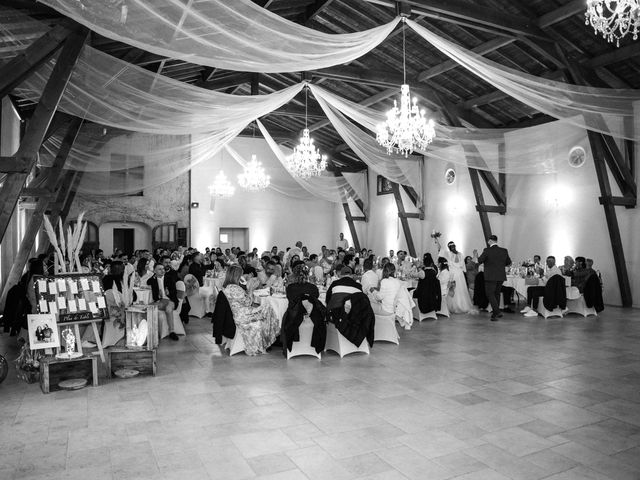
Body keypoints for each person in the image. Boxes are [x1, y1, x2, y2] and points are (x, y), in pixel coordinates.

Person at [223, 265, 278, 355]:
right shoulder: (234, 288)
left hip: (239, 312)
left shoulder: (229, 286)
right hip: (242, 316)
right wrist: (251, 289)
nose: (242, 277)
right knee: (267, 309)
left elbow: (245, 301)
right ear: (236, 276)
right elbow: (248, 302)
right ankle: (266, 341)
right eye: (240, 275)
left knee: (266, 309)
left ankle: (266, 339)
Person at [477, 235, 512, 321]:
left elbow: (480, 260)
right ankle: (495, 314)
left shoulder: (487, 250)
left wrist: (475, 255)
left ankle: (497, 311)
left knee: (490, 294)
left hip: (490, 276)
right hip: (500, 276)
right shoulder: (504, 250)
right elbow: (509, 262)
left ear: (490, 241)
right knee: (496, 293)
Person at [369, 263, 413, 329]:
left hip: (386, 310)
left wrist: (373, 291)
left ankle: (374, 330)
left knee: (368, 303)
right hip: (395, 309)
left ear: (384, 271)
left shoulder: (384, 281)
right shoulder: (397, 281)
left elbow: (379, 297)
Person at [436, 238, 473, 313]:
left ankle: (457, 306)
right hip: (457, 274)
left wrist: (436, 240)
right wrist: (436, 240)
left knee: (457, 289)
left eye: (452, 246)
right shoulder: (454, 254)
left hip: (456, 274)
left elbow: (440, 249)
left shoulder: (454, 254)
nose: (452, 248)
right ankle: (458, 305)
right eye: (451, 247)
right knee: (457, 290)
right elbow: (441, 249)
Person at [147, 264, 179, 340]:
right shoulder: (153, 280)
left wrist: (168, 293)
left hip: (171, 300)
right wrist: (154, 276)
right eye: (159, 269)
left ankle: (172, 332)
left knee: (168, 309)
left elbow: (174, 292)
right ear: (154, 271)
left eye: (163, 269)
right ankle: (150, 331)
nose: (162, 271)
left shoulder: (169, 278)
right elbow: (148, 282)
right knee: (149, 308)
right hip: (160, 301)